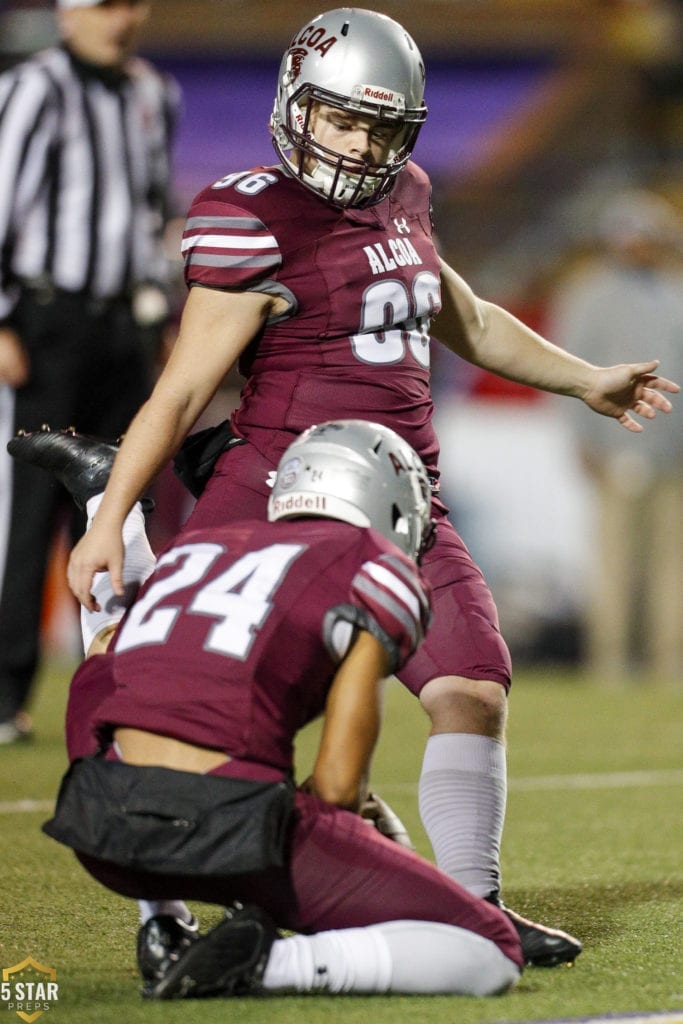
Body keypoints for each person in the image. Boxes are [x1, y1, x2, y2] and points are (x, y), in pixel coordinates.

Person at [57, 8, 680, 965]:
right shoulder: (252, 215)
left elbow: (462, 313)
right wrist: (109, 514)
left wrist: (583, 377)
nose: (358, 146)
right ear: (296, 104)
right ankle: (175, 914)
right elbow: (182, 388)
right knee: (188, 694)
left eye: (381, 130)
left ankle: (476, 903)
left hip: (402, 502)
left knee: (471, 691)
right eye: (341, 121)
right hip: (276, 496)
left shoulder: (408, 194)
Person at [16, 420, 523, 1000]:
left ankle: (162, 922)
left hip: (97, 827)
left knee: (117, 674)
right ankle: (263, 964)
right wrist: (358, 839)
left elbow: (107, 672)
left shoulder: (202, 547)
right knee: (490, 949)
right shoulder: (371, 567)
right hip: (225, 832)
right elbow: (336, 788)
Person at [0, 0, 179, 745]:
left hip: (123, 327)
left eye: (133, 3)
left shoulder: (151, 92)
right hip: (49, 323)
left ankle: (113, 682)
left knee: (120, 502)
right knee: (33, 508)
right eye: (106, 4)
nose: (124, 18)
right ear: (68, 15)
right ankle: (6, 694)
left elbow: (152, 212)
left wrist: (167, 316)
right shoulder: (34, 87)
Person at [547, 187, 683, 680]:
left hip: (673, 448)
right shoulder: (588, 293)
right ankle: (610, 662)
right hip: (616, 444)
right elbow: (566, 370)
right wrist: (583, 439)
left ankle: (669, 662)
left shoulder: (675, 291)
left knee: (672, 563)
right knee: (615, 559)